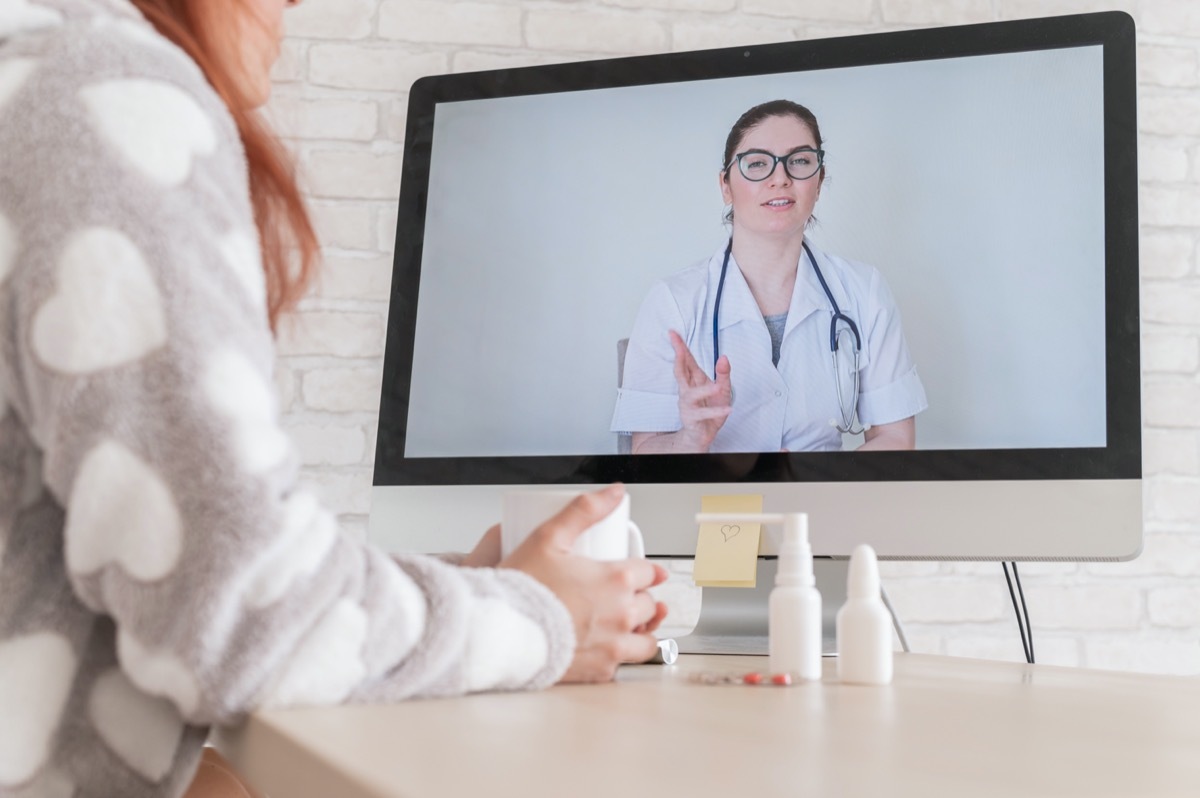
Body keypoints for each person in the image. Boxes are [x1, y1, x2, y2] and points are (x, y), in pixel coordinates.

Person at [0, 2, 667, 797]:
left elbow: (182, 574)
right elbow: (238, 620)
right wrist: (539, 621)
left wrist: (475, 591)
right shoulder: (99, 92)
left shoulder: (34, 71)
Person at [611, 100, 928, 454]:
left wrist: (816, 485)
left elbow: (895, 439)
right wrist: (690, 439)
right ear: (726, 186)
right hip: (712, 504)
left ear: (819, 182)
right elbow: (644, 453)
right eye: (758, 163)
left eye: (800, 161)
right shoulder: (672, 301)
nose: (780, 178)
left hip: (825, 504)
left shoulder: (863, 291)